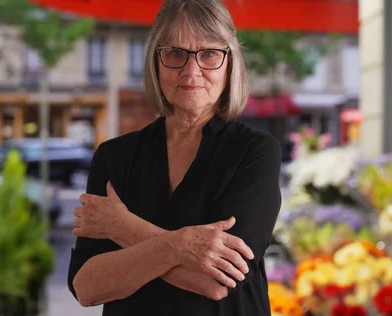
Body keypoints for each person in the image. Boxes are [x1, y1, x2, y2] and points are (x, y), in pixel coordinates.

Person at [68, 0, 282, 315]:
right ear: (156, 62)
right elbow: (86, 287)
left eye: (209, 53)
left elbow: (217, 282)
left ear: (230, 64)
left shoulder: (255, 152)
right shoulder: (114, 156)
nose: (191, 70)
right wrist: (182, 247)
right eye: (176, 53)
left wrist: (123, 227)